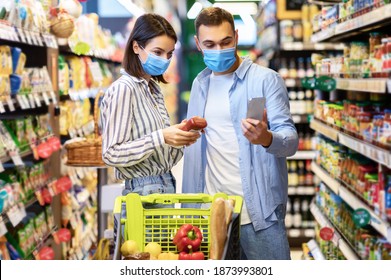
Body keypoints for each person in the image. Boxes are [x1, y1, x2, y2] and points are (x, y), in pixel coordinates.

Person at [182, 7, 299, 260]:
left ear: (236, 36)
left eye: (225, 42)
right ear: (198, 44)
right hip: (213, 213)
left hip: (259, 213)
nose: (219, 50)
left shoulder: (266, 80)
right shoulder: (199, 85)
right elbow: (195, 151)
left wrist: (266, 138)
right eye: (209, 44)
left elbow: (290, 141)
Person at [100, 13, 200, 197]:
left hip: (165, 183)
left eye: (169, 54)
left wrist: (178, 138)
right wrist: (160, 136)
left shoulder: (153, 89)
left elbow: (160, 154)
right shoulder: (124, 89)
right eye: (157, 52)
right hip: (142, 192)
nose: (164, 59)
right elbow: (111, 153)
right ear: (136, 47)